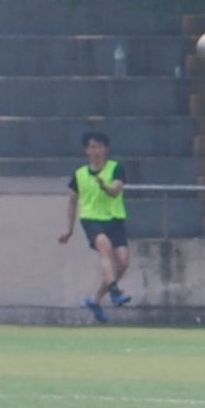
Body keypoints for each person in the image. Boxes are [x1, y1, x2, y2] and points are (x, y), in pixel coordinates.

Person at [59, 128, 130, 324]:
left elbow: (115, 191)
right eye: (92, 147)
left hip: (114, 218)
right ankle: (115, 291)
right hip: (91, 218)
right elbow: (72, 201)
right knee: (105, 248)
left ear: (106, 149)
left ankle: (95, 299)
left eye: (99, 147)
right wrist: (69, 228)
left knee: (123, 262)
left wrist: (105, 186)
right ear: (86, 151)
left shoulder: (115, 168)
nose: (96, 151)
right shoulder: (80, 174)